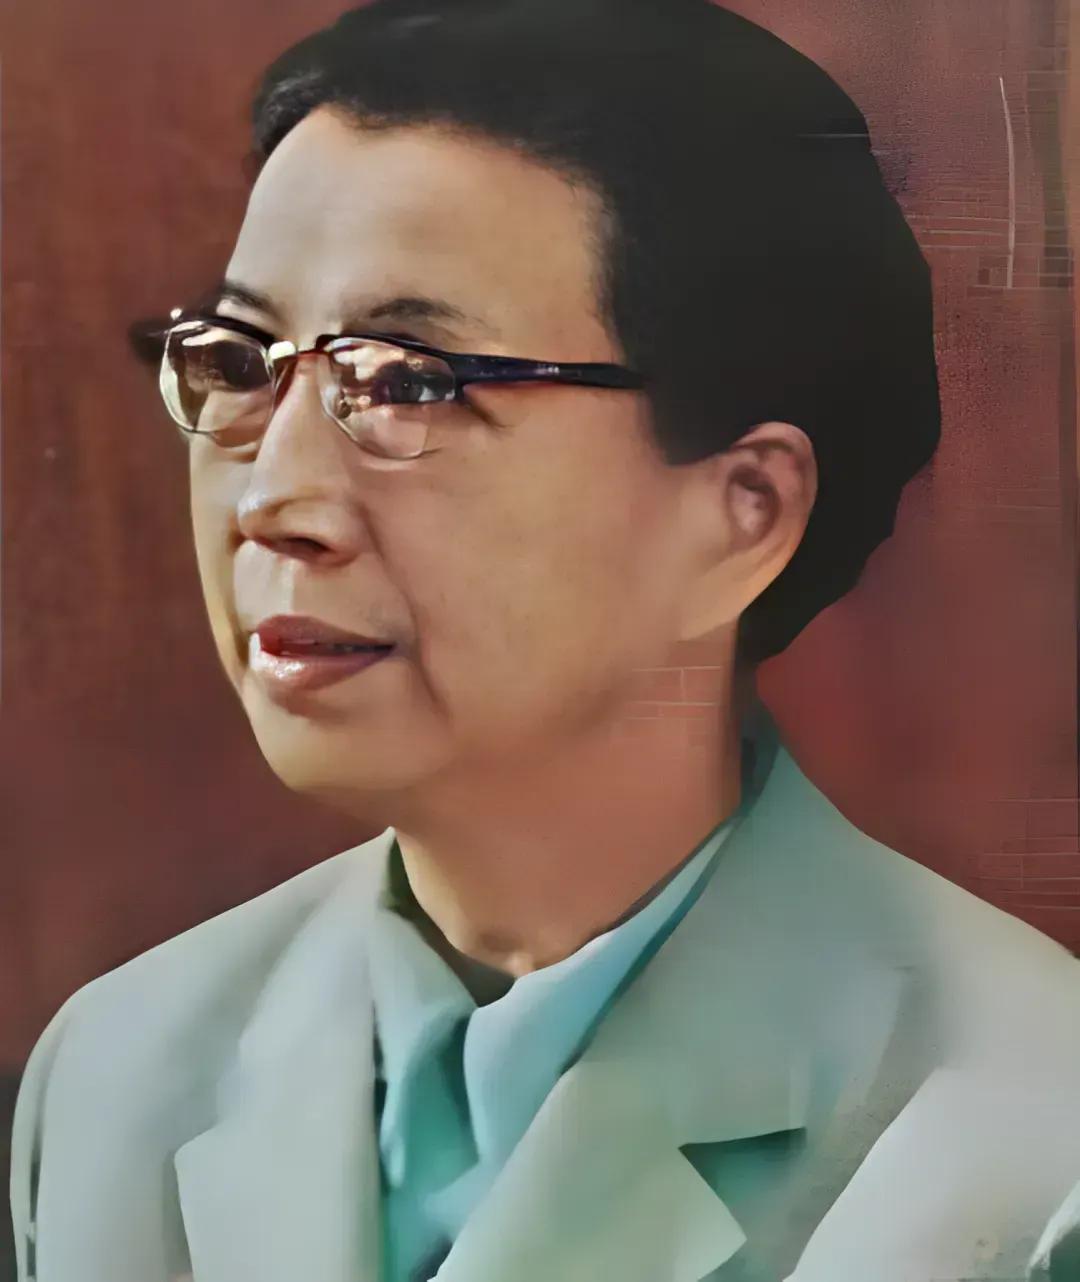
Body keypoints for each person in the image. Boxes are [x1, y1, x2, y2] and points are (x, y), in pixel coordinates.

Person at [10, 2, 1080, 1279]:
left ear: (740, 514)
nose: (273, 500)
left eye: (410, 380)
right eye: (242, 361)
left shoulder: (1031, 1155)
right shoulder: (119, 1070)